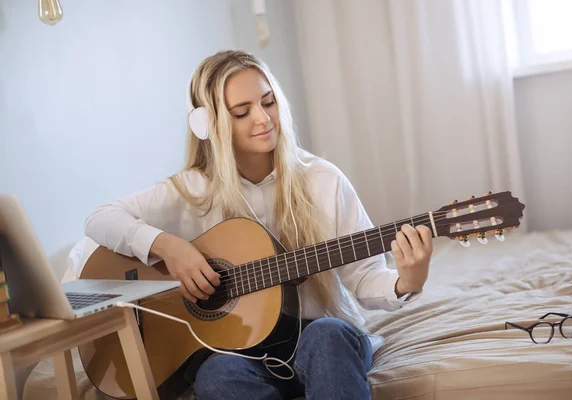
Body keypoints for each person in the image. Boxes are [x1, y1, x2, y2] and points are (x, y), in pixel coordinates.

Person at [84, 49, 433, 400]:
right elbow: (101, 219)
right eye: (242, 111)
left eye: (269, 102)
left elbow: (363, 276)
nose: (264, 119)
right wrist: (170, 248)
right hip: (239, 355)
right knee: (216, 375)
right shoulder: (191, 190)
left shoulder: (323, 181)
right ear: (210, 124)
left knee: (327, 335)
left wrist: (407, 280)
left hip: (321, 339)